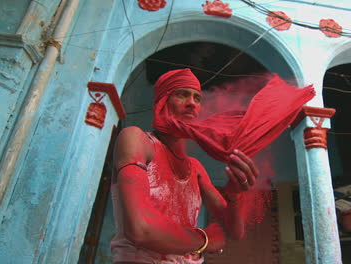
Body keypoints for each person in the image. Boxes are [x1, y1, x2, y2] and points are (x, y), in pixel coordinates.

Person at [110, 68, 259, 264]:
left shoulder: (195, 168)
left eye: (197, 98)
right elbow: (140, 229)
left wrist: (234, 194)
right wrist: (203, 239)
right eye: (182, 94)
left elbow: (234, 232)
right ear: (162, 101)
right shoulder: (137, 140)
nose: (192, 104)